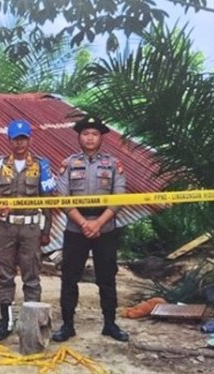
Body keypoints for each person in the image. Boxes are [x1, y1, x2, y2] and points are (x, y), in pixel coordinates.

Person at [52, 115, 129, 343]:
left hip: (105, 229)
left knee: (107, 278)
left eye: (94, 134)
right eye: (85, 133)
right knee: (69, 278)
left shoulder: (114, 164)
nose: (90, 138)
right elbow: (62, 197)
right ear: (79, 136)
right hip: (76, 228)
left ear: (101, 137)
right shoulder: (68, 164)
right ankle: (67, 325)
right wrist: (85, 223)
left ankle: (110, 324)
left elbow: (118, 197)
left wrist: (98, 223)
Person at [0, 119, 55, 341]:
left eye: (23, 138)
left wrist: (46, 230)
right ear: (9, 140)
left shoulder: (42, 165)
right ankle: (6, 320)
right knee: (5, 275)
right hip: (6, 226)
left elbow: (48, 200)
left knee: (31, 275)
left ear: (30, 139)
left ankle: (32, 322)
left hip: (31, 226)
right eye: (16, 139)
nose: (20, 143)